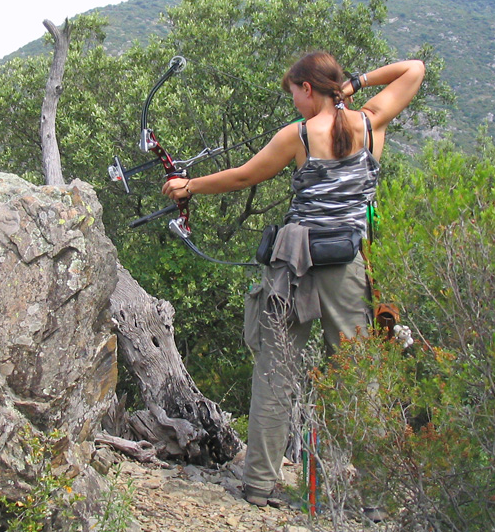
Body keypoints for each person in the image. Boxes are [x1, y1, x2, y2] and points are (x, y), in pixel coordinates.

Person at [162, 51, 425, 506]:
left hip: (293, 269)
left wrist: (189, 186)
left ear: (307, 89)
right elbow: (415, 68)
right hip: (347, 268)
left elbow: (245, 177)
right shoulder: (370, 123)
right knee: (357, 377)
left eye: (295, 95)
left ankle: (260, 485)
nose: (295, 105)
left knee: (274, 374)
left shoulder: (299, 136)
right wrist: (355, 84)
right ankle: (374, 496)